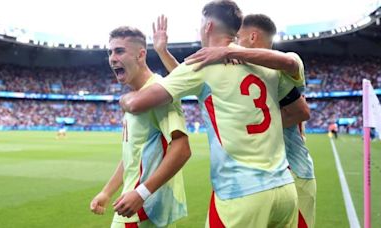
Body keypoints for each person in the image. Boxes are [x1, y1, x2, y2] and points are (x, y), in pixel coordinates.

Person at [120, 1, 300, 227]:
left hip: (240, 195)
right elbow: (298, 104)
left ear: (208, 26)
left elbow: (137, 103)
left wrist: (123, 99)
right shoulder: (265, 61)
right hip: (285, 190)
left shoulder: (202, 64)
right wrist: (162, 51)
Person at [184, 14, 316, 228]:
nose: (234, 42)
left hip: (293, 170)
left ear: (252, 37)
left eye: (237, 37)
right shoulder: (248, 67)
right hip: (263, 175)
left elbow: (301, 109)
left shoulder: (282, 62)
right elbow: (196, 80)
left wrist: (231, 51)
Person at [90, 26, 191, 228]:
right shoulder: (137, 96)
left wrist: (141, 193)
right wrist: (107, 192)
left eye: (119, 51)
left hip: (141, 208)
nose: (112, 58)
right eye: (110, 52)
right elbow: (133, 155)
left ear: (141, 55)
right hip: (139, 204)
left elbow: (182, 148)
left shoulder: (159, 92)